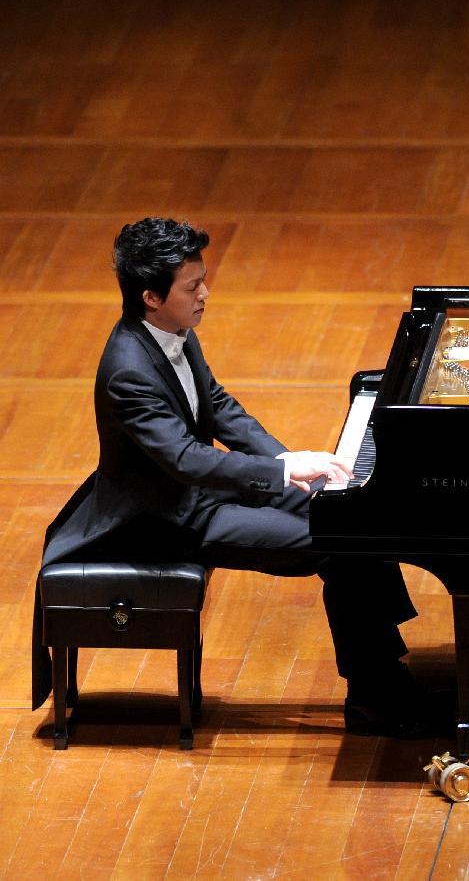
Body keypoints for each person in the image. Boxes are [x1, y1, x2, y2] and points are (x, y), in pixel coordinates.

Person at [33, 217, 432, 737]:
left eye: (203, 280)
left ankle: (384, 672)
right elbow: (187, 460)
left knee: (347, 512)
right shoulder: (128, 369)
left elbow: (218, 406)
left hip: (199, 495)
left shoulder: (173, 331)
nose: (205, 293)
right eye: (192, 286)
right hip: (166, 520)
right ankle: (374, 695)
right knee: (337, 542)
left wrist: (288, 463)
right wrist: (278, 471)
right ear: (151, 296)